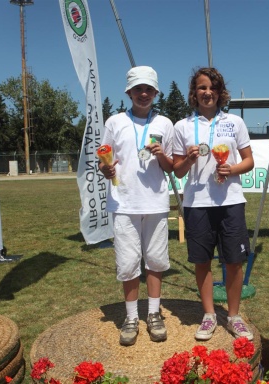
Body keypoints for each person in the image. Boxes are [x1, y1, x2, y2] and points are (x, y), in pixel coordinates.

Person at [173, 67, 255, 342]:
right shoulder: (182, 126)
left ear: (220, 93)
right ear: (194, 93)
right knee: (202, 261)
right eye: (201, 88)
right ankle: (209, 315)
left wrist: (231, 170)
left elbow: (249, 161)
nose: (207, 92)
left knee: (233, 261)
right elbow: (178, 171)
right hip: (197, 203)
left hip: (230, 201)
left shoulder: (234, 122)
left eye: (212, 88)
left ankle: (233, 316)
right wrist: (188, 159)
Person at [98, 66, 174, 346]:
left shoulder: (165, 123)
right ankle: (131, 317)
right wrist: (106, 170)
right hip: (124, 201)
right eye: (138, 89)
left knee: (155, 260)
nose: (144, 94)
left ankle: (154, 313)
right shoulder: (115, 122)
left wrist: (162, 154)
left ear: (156, 92)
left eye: (149, 89)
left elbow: (171, 167)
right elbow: (103, 159)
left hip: (155, 201)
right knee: (128, 263)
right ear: (128, 92)